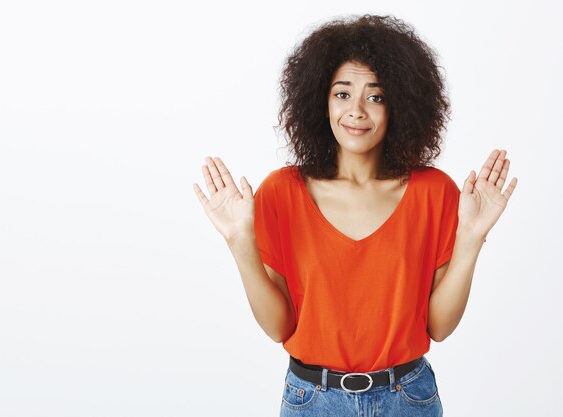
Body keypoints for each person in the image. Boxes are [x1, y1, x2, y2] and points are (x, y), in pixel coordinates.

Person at [193, 14, 517, 417]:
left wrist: (471, 238)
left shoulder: (434, 193)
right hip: (312, 400)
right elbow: (279, 328)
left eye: (376, 96)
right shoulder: (282, 191)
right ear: (320, 100)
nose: (357, 110)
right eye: (342, 94)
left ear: (400, 103)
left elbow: (439, 328)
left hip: (407, 398)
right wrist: (239, 242)